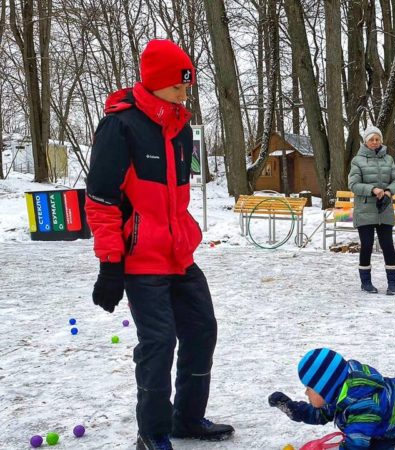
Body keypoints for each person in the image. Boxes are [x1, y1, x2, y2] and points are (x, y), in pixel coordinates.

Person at [85, 39, 233, 449]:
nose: (185, 93)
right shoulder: (121, 125)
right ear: (154, 83)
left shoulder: (180, 127)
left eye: (188, 86)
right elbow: (100, 201)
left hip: (179, 255)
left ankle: (187, 419)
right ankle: (151, 432)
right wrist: (110, 263)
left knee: (202, 329)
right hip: (140, 259)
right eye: (178, 87)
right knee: (159, 342)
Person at [268, 348, 395, 450]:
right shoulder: (341, 389)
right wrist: (290, 407)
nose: (306, 393)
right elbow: (319, 414)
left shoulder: (363, 408)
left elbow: (356, 446)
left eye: (309, 388)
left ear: (325, 387)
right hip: (388, 419)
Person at [348, 125, 395, 295]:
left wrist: (388, 191)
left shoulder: (389, 159)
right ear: (365, 141)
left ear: (381, 141)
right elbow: (353, 185)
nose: (374, 142)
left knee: (388, 246)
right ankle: (366, 283)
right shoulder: (357, 160)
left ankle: (392, 284)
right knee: (367, 245)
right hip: (365, 210)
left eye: (377, 139)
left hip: (384, 209)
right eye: (371, 139)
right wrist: (373, 189)